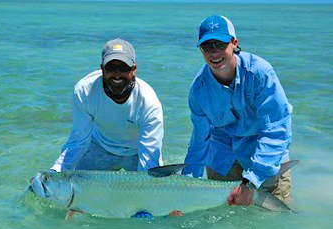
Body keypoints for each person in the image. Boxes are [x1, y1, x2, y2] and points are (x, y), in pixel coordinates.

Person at [182, 15, 294, 207]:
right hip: (223, 160)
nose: (214, 52)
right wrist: (184, 189)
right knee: (224, 226)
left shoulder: (260, 74)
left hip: (266, 159)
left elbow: (276, 130)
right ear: (200, 49)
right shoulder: (198, 92)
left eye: (220, 44)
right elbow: (200, 140)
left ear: (234, 43)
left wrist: (250, 183)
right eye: (207, 46)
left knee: (275, 225)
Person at [50, 38, 164, 174]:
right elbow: (78, 142)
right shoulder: (85, 91)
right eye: (111, 67)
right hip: (100, 147)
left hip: (137, 152)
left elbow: (149, 160)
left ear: (133, 69)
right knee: (74, 185)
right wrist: (55, 173)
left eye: (123, 67)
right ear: (102, 69)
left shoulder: (149, 103)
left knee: (151, 184)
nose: (117, 74)